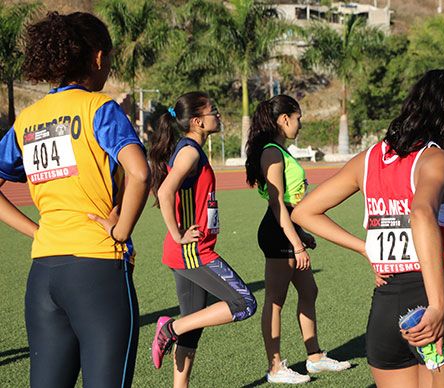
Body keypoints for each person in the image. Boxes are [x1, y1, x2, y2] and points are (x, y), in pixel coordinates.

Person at [292, 70, 444, 388]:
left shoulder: (368, 160)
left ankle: (438, 362)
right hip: (442, 293)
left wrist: (365, 247)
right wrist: (436, 306)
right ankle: (439, 363)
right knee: (442, 375)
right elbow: (421, 213)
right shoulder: (437, 159)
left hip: (387, 303)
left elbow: (305, 212)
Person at [0, 12, 149, 388]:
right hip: (97, 268)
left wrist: (36, 230)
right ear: (98, 57)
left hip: (44, 275)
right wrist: (121, 229)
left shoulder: (27, 120)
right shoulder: (100, 108)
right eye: (110, 60)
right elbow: (140, 172)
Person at [148, 92, 257, 388]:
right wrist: (177, 234)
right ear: (197, 121)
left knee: (193, 325)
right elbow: (164, 192)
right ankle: (170, 327)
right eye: (214, 112)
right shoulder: (190, 151)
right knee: (244, 303)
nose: (218, 115)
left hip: (188, 251)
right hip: (192, 251)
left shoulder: (192, 149)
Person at [245, 95, 350, 384]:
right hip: (278, 230)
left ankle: (314, 357)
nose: (300, 123)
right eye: (298, 117)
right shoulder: (272, 153)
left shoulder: (281, 150)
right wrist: (297, 243)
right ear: (284, 119)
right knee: (276, 300)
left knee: (309, 291)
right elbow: (277, 204)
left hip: (289, 228)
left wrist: (301, 234)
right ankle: (275, 367)